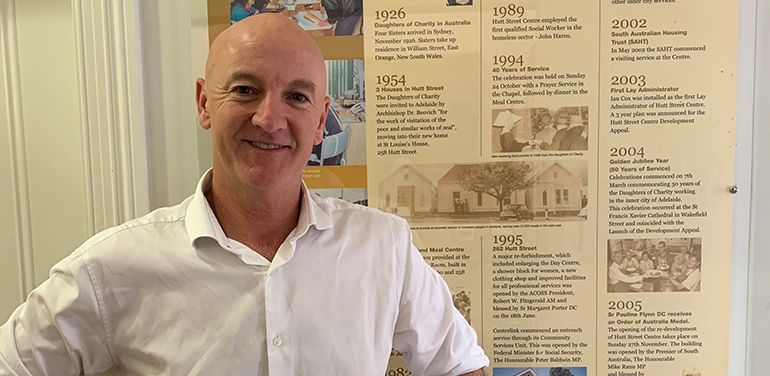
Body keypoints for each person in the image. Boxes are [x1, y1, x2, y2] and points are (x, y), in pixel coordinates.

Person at [0, 15, 488, 375]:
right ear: (203, 103)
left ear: (320, 122)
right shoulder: (112, 268)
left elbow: (461, 364)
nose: (269, 119)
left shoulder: (383, 247)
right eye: (245, 89)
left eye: (296, 96)